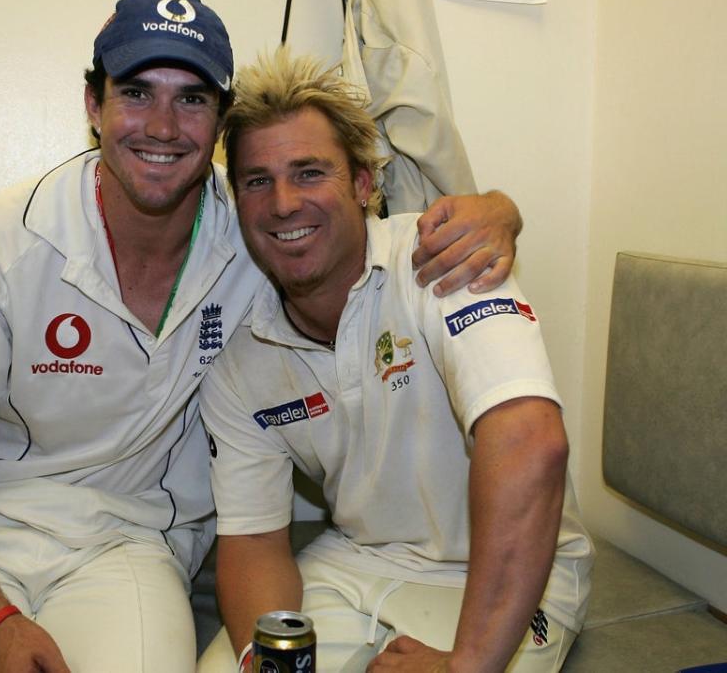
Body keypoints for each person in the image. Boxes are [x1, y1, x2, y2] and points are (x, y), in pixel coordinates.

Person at [0, 0, 523, 672]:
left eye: (193, 99)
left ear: (221, 124)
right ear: (95, 106)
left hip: (132, 543)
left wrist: (500, 211)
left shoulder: (263, 230)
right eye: (138, 93)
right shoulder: (6, 239)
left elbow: (367, 235)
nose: (164, 126)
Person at [197, 50, 594, 673]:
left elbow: (530, 442)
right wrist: (262, 660)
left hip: (503, 571)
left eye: (308, 172)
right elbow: (254, 541)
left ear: (362, 184)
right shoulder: (240, 358)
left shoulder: (445, 260)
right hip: (356, 559)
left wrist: (467, 665)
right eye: (256, 180)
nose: (281, 203)